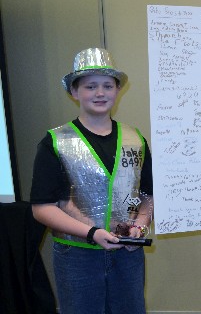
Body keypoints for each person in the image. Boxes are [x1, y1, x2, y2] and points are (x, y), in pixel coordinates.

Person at [30, 48, 153, 314]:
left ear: (118, 90)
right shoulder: (55, 142)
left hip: (127, 255)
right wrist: (90, 233)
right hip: (77, 256)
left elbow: (146, 194)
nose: (100, 93)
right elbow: (41, 207)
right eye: (90, 86)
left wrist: (140, 227)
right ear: (74, 92)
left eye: (108, 85)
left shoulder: (136, 139)